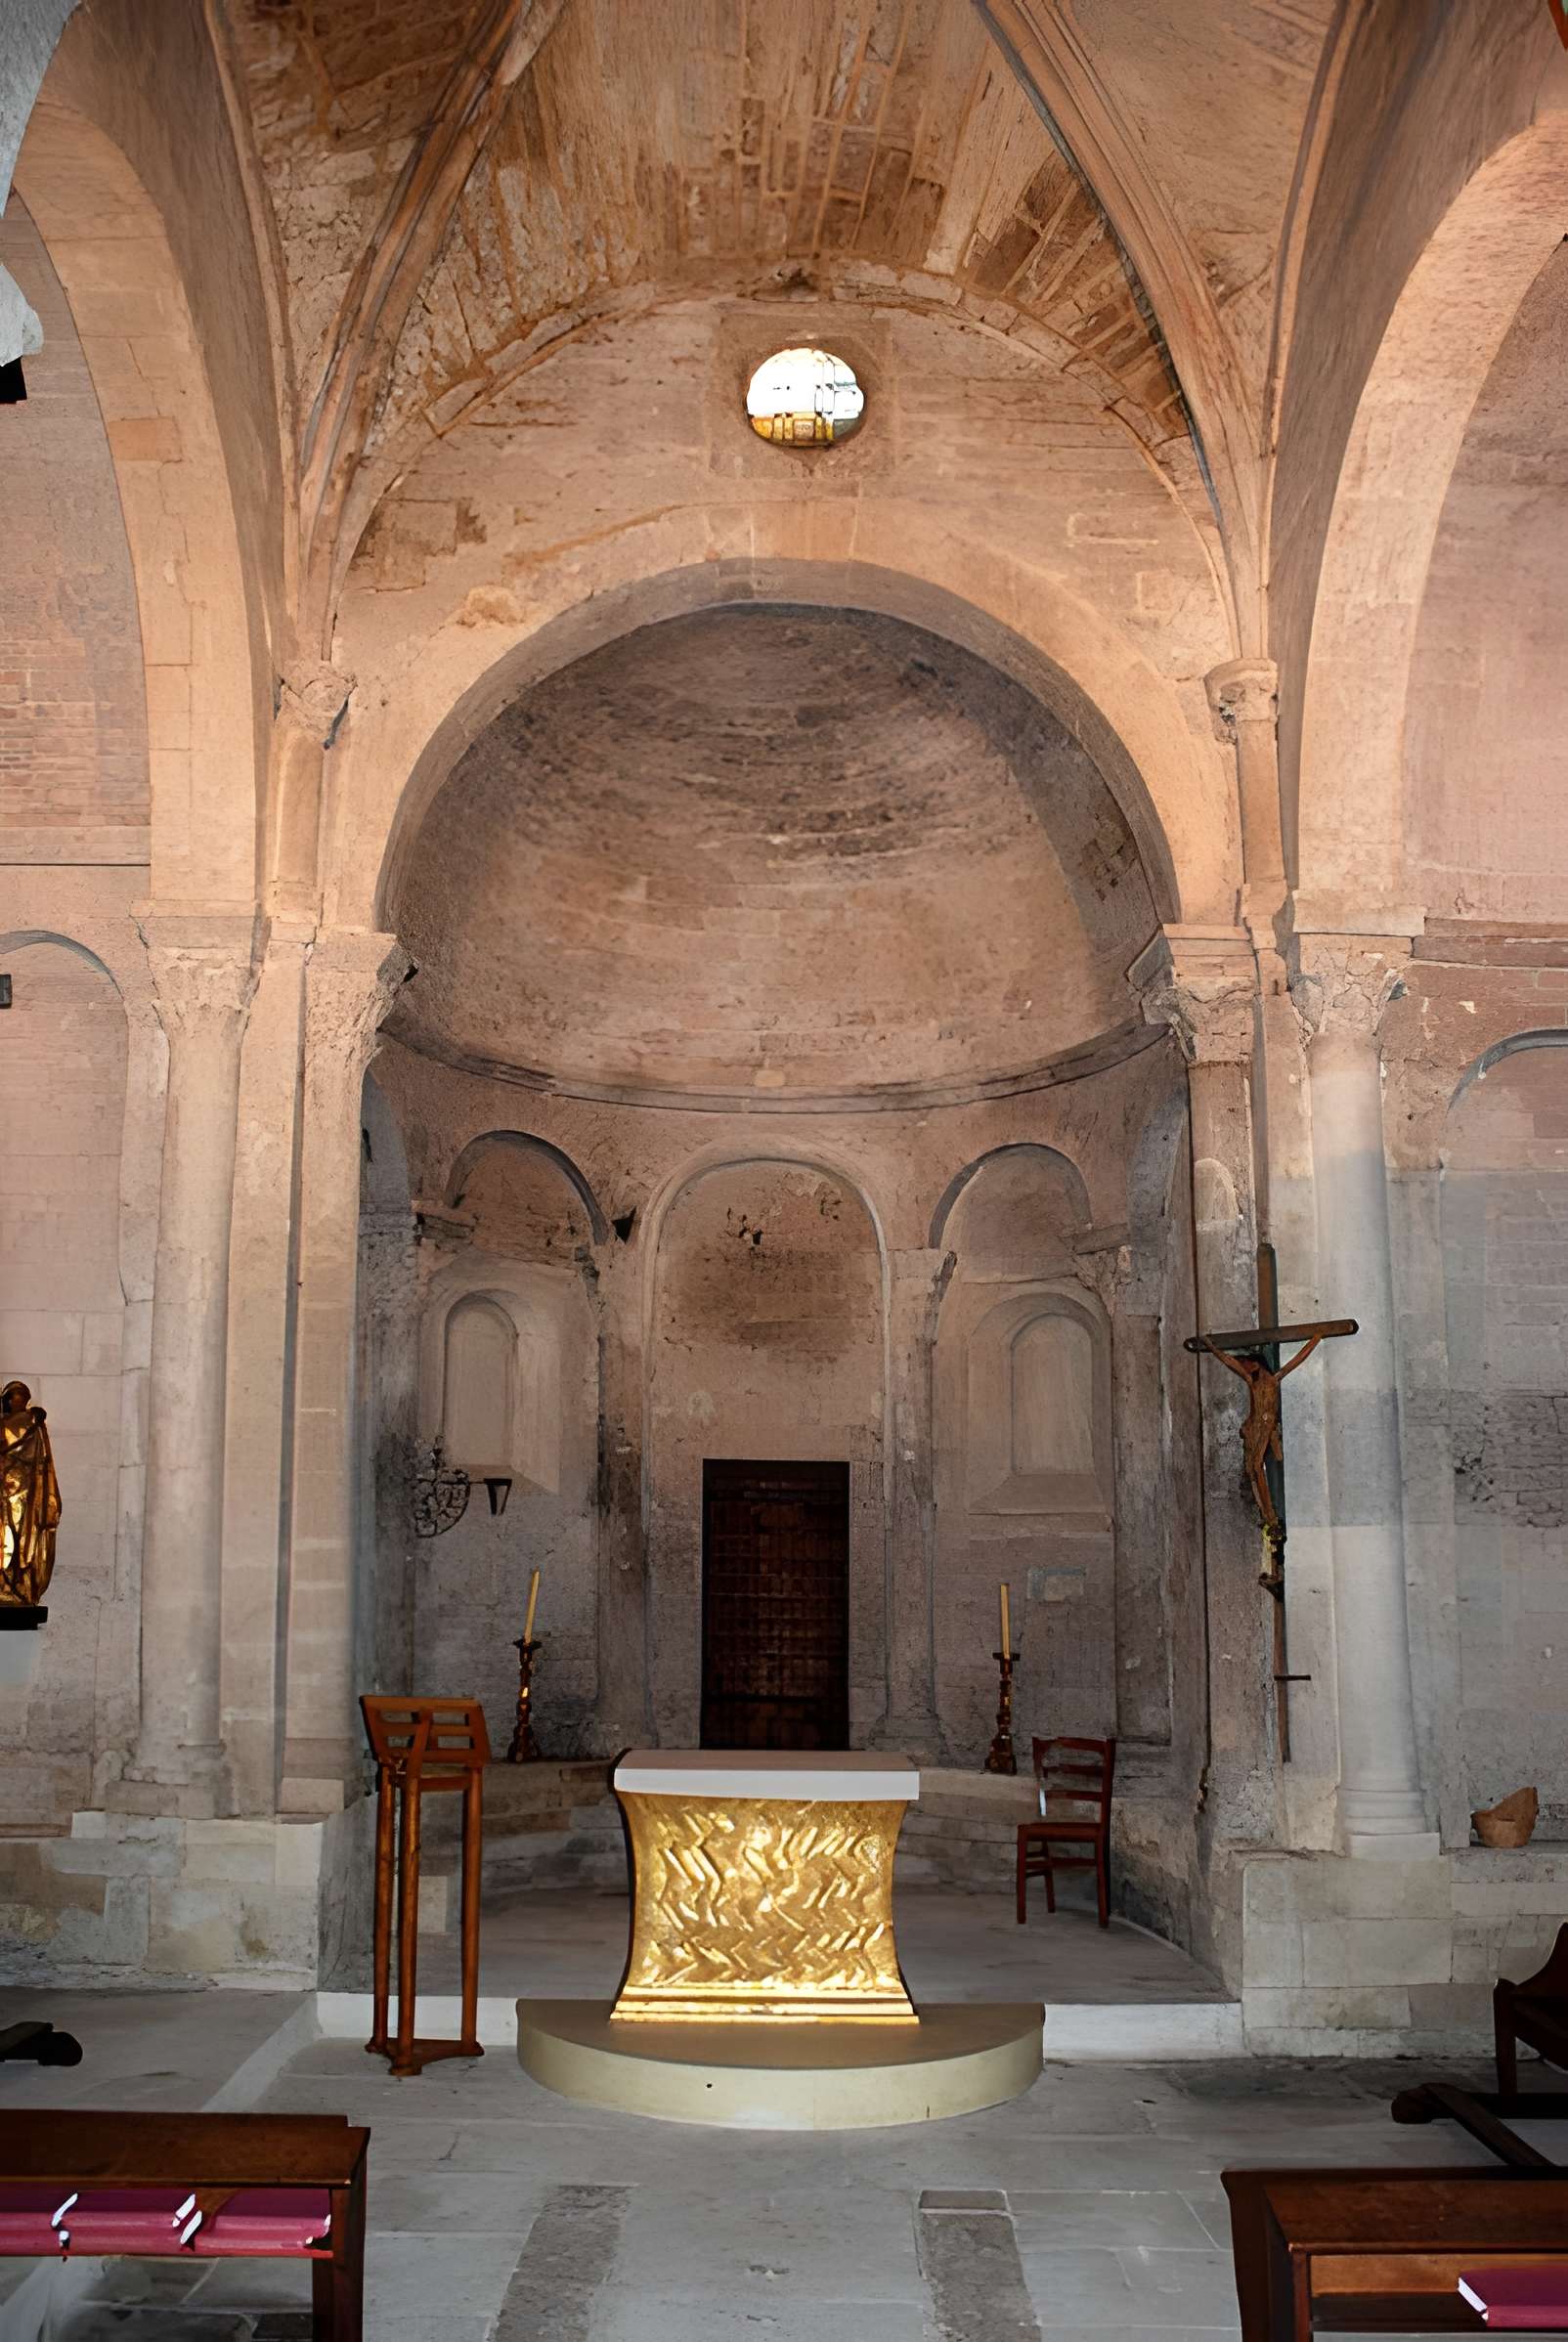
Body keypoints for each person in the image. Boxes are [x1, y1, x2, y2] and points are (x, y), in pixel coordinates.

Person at [1, 1379, 62, 1609]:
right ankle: (11, 1587)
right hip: (11, 1492)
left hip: (21, 1492)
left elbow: (43, 1463)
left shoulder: (31, 1424)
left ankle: (17, 1588)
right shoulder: (33, 1423)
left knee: (20, 1539)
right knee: (12, 1539)